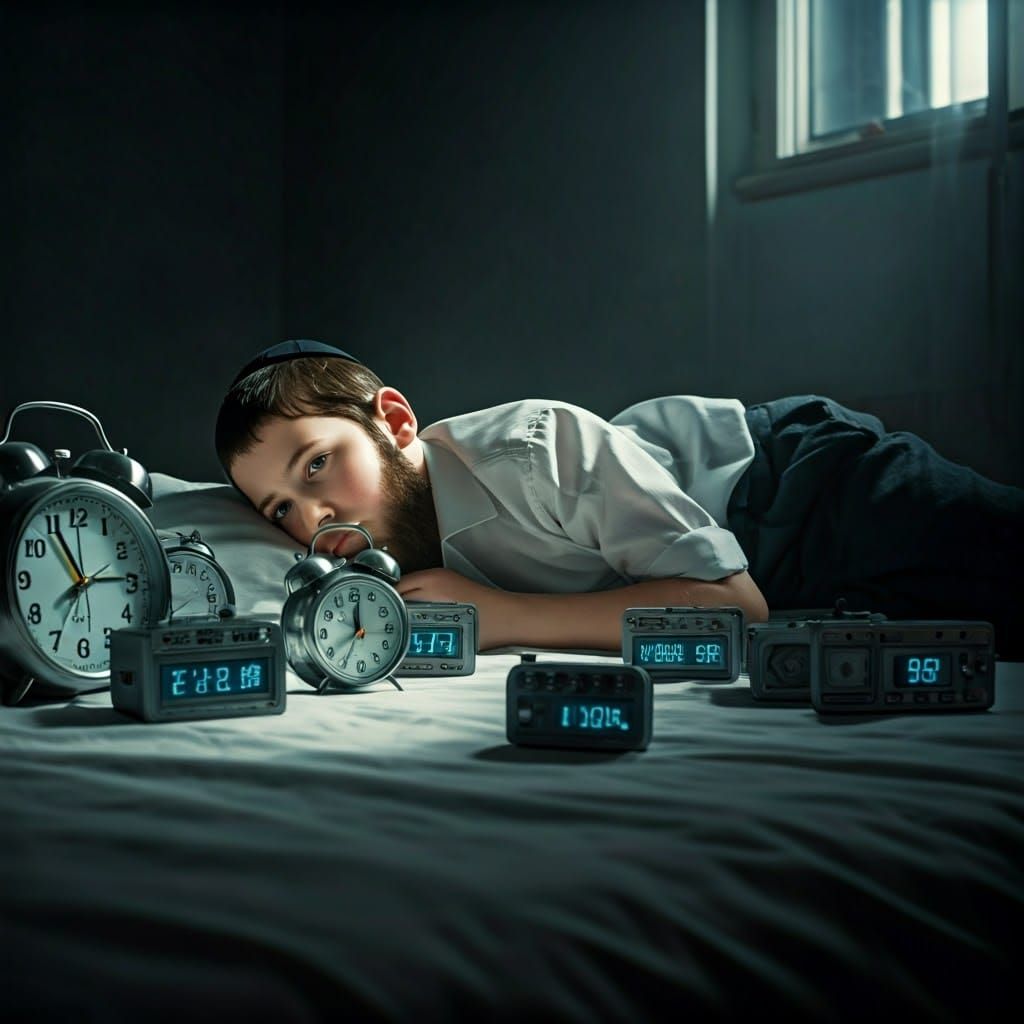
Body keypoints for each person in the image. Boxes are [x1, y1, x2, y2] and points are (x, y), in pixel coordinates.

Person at [215, 340, 1024, 659]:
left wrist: (503, 617)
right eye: (280, 508)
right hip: (810, 594)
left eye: (317, 465)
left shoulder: (533, 447)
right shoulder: (368, 569)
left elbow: (736, 607)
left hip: (808, 488)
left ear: (394, 422)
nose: (310, 520)